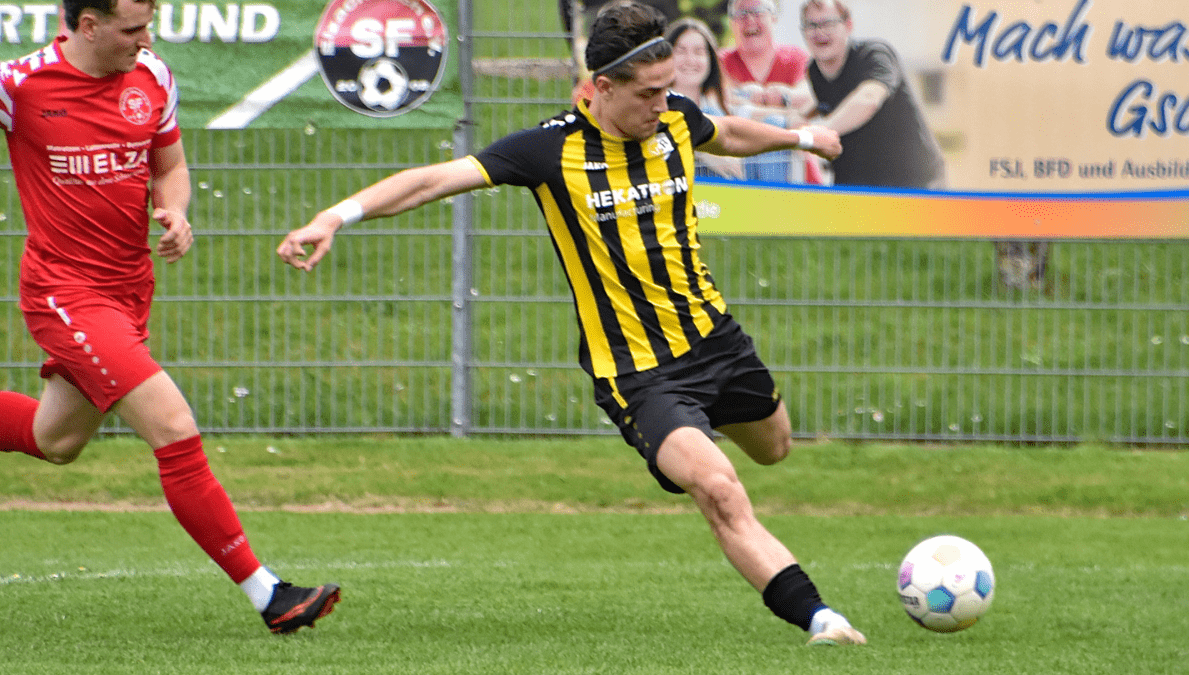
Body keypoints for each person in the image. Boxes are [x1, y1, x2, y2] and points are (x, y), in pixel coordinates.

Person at [279, 1, 864, 647]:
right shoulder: (550, 150)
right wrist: (335, 216)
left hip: (717, 340)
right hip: (639, 373)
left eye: (668, 88)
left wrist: (802, 138)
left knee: (774, 447)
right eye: (648, 93)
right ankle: (822, 620)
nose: (663, 104)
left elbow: (722, 131)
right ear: (602, 87)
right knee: (719, 489)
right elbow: (432, 180)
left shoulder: (674, 117)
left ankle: (694, 434)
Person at [0, 0, 339, 634]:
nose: (145, 39)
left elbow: (170, 167)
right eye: (132, 28)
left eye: (148, 24)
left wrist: (176, 212)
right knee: (174, 429)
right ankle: (270, 594)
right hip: (65, 294)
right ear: (88, 26)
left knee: (55, 440)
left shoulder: (152, 76)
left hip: (128, 292)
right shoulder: (18, 85)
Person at [799, 0, 946, 188]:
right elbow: (818, 102)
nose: (819, 32)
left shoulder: (875, 55)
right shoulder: (814, 72)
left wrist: (820, 131)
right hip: (856, 186)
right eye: (811, 25)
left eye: (828, 23)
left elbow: (869, 99)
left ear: (848, 25)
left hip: (915, 185)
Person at [717, 0, 824, 184]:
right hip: (739, 175)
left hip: (798, 175)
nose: (750, 19)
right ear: (732, 22)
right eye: (741, 13)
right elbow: (720, 106)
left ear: (773, 17)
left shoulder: (795, 59)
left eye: (758, 11)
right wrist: (782, 109)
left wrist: (752, 103)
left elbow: (810, 101)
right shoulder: (720, 63)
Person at [667, 17, 743, 179]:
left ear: (710, 60)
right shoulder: (654, 104)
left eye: (699, 52)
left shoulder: (716, 106)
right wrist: (705, 152)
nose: (690, 60)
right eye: (681, 51)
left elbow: (749, 113)